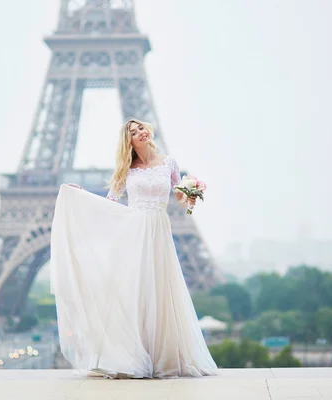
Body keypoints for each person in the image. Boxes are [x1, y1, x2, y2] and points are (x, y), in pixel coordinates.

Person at [50, 118, 218, 379]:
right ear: (127, 140)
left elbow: (181, 201)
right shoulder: (126, 169)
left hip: (159, 231)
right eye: (132, 131)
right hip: (135, 232)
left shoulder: (169, 162)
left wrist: (192, 195)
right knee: (136, 291)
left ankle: (161, 356)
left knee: (160, 291)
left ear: (148, 131)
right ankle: (134, 354)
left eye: (141, 127)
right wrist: (81, 194)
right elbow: (110, 203)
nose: (139, 132)